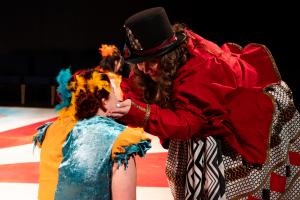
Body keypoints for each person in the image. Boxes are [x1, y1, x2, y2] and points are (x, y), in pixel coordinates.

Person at [107, 7, 300, 200]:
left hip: (233, 118)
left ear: (167, 56)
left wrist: (141, 112)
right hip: (196, 119)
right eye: (139, 61)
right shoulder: (152, 61)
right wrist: (110, 89)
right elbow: (136, 86)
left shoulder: (201, 68)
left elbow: (188, 123)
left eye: (151, 61)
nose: (143, 68)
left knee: (219, 180)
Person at [33, 67, 151, 200]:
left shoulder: (50, 131)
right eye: (113, 91)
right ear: (103, 100)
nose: (120, 97)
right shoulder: (119, 140)